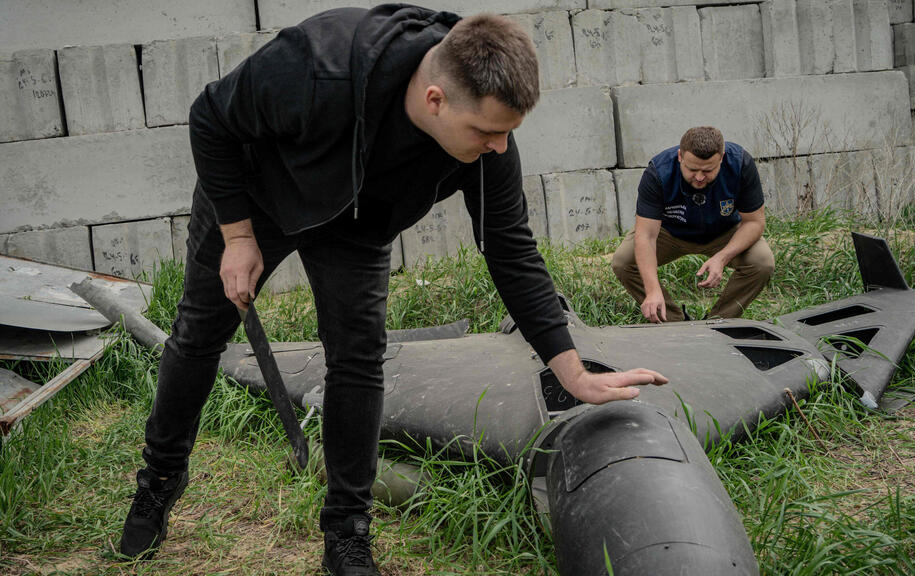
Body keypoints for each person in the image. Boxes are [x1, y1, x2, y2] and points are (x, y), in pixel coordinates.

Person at [117, 5, 667, 575]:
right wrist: (235, 235)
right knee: (198, 334)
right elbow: (210, 117)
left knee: (358, 359)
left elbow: (511, 252)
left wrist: (570, 370)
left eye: (508, 133)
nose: (500, 147)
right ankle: (158, 479)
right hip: (254, 198)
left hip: (357, 223)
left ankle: (347, 533)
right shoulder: (317, 66)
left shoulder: (487, 143)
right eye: (487, 131)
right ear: (436, 100)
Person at [611, 126, 774, 322]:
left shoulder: (740, 164)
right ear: (680, 156)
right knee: (623, 262)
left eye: (708, 170)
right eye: (692, 169)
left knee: (762, 262)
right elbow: (646, 235)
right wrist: (652, 290)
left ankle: (718, 323)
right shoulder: (658, 172)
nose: (698, 177)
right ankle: (675, 323)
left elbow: (754, 222)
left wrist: (722, 258)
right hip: (669, 232)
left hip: (724, 232)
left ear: (721, 158)